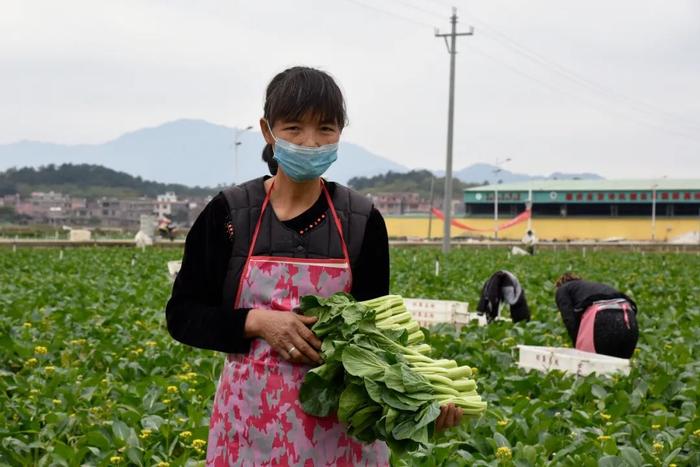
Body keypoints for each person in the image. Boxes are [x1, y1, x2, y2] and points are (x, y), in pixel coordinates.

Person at [165, 67, 462, 466]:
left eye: (326, 128)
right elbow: (182, 315)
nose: (311, 142)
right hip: (250, 429)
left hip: (340, 434)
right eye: (294, 128)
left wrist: (424, 398)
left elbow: (377, 337)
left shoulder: (361, 219)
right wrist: (257, 322)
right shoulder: (230, 214)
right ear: (268, 132)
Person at [554, 272, 639, 359]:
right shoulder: (591, 287)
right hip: (629, 316)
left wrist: (577, 346)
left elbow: (569, 320)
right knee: (621, 365)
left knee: (592, 363)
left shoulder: (562, 289)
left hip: (603, 316)